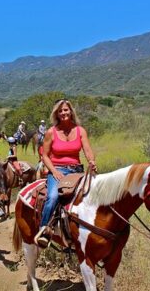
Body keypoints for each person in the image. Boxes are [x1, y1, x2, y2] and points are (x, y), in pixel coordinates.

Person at [34, 99, 97, 248]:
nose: (63, 113)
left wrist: (92, 161)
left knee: (94, 193)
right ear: (56, 114)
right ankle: (44, 230)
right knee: (53, 196)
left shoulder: (80, 130)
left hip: (77, 170)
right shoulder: (51, 132)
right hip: (58, 170)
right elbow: (45, 155)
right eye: (60, 111)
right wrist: (54, 171)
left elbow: (87, 150)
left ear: (71, 111)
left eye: (66, 110)